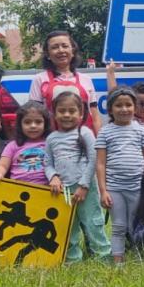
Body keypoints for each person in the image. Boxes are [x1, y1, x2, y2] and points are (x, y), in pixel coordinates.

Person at [45, 91, 111, 263]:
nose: (66, 115)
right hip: (63, 191)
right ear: (54, 113)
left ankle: (103, 256)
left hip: (86, 188)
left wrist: (83, 185)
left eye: (72, 111)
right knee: (68, 225)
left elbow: (94, 159)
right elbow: (48, 163)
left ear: (81, 114)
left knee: (93, 222)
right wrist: (53, 177)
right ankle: (72, 259)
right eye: (62, 111)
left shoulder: (85, 132)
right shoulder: (51, 138)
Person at [96, 86, 144, 263]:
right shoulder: (105, 131)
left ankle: (138, 257)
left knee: (136, 225)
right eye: (118, 105)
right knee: (119, 226)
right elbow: (100, 164)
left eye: (128, 105)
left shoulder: (141, 130)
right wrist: (103, 191)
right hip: (114, 188)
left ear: (134, 107)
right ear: (110, 109)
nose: (124, 109)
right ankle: (118, 260)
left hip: (137, 187)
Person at [28, 30, 101, 133]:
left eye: (65, 46)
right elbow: (34, 115)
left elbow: (95, 116)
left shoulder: (86, 79)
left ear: (73, 51)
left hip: (84, 141)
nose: (61, 50)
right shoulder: (39, 79)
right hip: (53, 141)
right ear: (47, 54)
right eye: (55, 47)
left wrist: (99, 144)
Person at [106, 60, 144, 164]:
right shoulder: (128, 118)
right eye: (141, 104)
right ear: (134, 104)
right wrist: (110, 73)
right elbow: (114, 97)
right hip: (133, 165)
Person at [0, 101, 50, 185]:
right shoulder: (13, 145)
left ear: (46, 124)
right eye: (27, 122)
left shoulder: (50, 144)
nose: (33, 126)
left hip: (45, 190)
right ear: (20, 124)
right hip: (18, 189)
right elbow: (2, 165)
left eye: (38, 122)